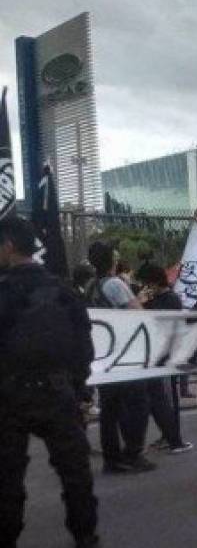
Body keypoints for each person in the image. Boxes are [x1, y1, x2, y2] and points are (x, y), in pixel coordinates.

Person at [0, 217, 100, 548]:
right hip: (58, 394)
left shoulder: (4, 291)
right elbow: (83, 348)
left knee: (7, 479)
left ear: (9, 246)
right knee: (76, 475)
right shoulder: (64, 290)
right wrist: (78, 390)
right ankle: (85, 537)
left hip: (8, 397)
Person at [86, 240, 156, 474]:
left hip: (104, 355)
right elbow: (137, 313)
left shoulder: (91, 286)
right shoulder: (116, 284)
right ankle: (134, 452)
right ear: (112, 262)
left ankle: (112, 457)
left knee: (110, 409)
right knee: (137, 403)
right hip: (124, 354)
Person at [135, 263, 193, 455]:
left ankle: (172, 436)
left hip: (165, 354)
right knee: (161, 399)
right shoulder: (154, 299)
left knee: (167, 398)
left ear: (153, 282)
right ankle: (167, 435)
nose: (144, 286)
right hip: (152, 354)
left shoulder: (170, 299)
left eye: (146, 282)